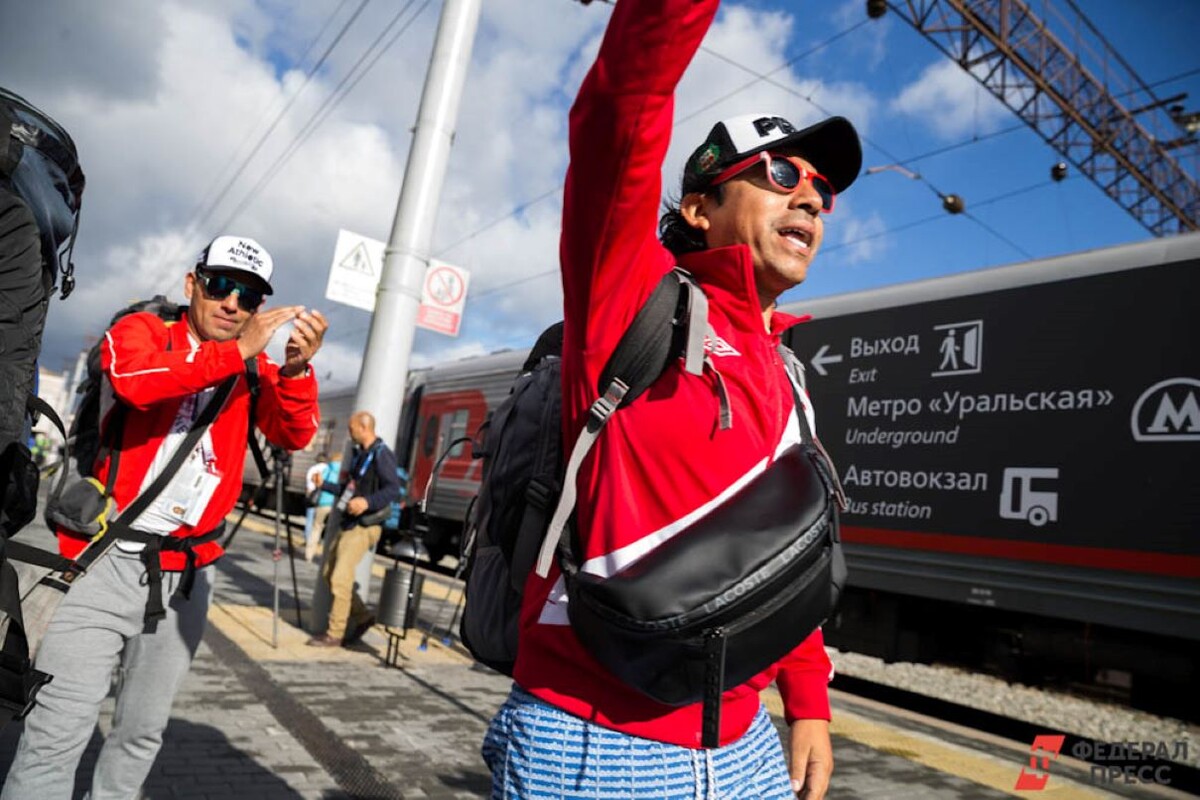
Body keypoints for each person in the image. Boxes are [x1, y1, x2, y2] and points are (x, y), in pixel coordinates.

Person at [481, 2, 862, 799]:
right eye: (780, 175)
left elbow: (778, 554)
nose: (811, 198)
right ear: (698, 208)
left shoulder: (787, 373)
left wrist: (809, 705)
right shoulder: (630, 296)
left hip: (745, 745)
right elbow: (622, 107)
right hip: (593, 747)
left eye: (822, 188)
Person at [2, 235, 327, 800]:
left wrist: (295, 374)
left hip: (186, 577)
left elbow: (293, 433)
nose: (232, 304)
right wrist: (237, 352)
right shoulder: (144, 330)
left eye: (248, 297)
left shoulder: (252, 368)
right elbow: (133, 381)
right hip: (99, 560)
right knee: (57, 732)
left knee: (140, 733)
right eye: (221, 285)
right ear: (192, 286)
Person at [307, 411, 400, 648]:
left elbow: (392, 490)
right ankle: (362, 616)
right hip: (349, 523)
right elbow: (349, 489)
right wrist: (324, 485)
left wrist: (367, 502)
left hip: (364, 526)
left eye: (351, 429)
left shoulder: (382, 455)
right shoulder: (361, 455)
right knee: (329, 574)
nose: (349, 434)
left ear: (364, 427)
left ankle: (335, 633)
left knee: (340, 577)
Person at [305, 455, 341, 562]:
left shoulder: (327, 469)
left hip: (323, 502)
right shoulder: (344, 470)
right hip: (335, 504)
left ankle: (309, 555)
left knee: (316, 528)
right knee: (332, 531)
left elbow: (319, 483)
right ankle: (327, 557)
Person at [303, 451, 330, 561]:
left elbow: (309, 485)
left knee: (311, 521)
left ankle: (308, 542)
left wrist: (308, 496)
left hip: (313, 498)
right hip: (326, 500)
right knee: (323, 525)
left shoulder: (313, 469)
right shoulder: (329, 469)